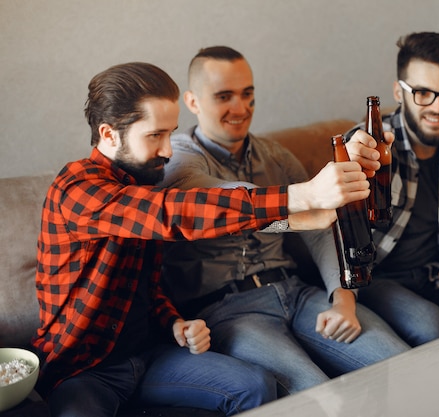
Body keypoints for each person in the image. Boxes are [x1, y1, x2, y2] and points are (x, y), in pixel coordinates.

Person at [32, 62, 372, 417]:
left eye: (170, 133)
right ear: (109, 134)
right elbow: (174, 214)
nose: (167, 150)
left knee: (254, 386)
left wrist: (175, 323)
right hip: (82, 370)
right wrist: (300, 196)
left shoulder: (141, 183)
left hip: (146, 358)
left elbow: (147, 288)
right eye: (154, 136)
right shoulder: (76, 189)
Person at [159, 46, 439, 395]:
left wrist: (342, 298)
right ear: (192, 101)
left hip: (297, 292)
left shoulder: (276, 156)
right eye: (224, 96)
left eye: (248, 94)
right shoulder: (178, 158)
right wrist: (303, 201)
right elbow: (226, 202)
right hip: (231, 311)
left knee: (401, 363)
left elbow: (317, 231)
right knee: (313, 392)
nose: (241, 107)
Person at [345, 32, 439, 332]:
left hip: (437, 271)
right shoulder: (369, 145)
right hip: (379, 278)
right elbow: (337, 228)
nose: (438, 107)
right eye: (423, 92)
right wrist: (350, 157)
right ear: (399, 92)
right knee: (431, 325)